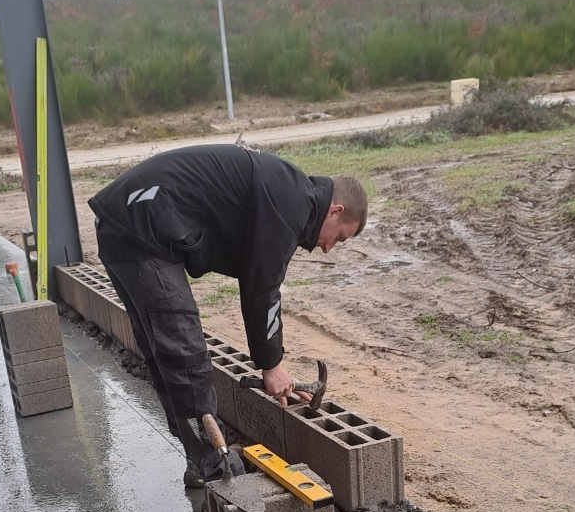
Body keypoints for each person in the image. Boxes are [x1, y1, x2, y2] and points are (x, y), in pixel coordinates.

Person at [88, 143, 367, 488]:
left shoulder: (287, 189)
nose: (328, 248)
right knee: (184, 356)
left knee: (166, 360)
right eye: (338, 237)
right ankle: (218, 473)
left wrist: (269, 362)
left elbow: (255, 272)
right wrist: (271, 365)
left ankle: (200, 460)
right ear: (335, 210)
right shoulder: (291, 200)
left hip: (126, 225)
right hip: (143, 228)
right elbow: (262, 287)